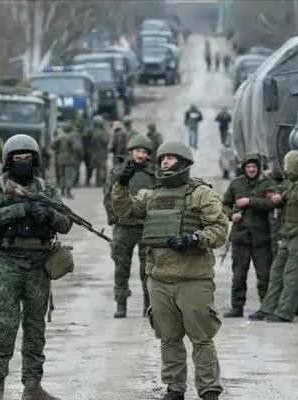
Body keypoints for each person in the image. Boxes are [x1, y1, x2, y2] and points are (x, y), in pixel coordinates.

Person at [111, 141, 227, 400]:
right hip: (160, 279)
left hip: (193, 279)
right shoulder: (151, 195)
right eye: (162, 158)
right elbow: (125, 211)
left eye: (171, 158)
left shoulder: (201, 194)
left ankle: (209, 389)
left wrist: (194, 239)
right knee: (169, 338)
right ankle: (175, 388)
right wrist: (121, 184)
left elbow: (220, 230)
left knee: (201, 338)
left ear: (183, 163)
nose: (164, 161)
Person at [0, 134, 72, 400]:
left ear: (35, 160)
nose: (22, 161)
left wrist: (49, 214)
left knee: (35, 327)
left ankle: (32, 385)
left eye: (27, 157)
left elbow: (66, 222)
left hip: (39, 265)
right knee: (4, 325)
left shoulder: (45, 189)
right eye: (17, 158)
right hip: (8, 262)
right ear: (9, 161)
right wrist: (22, 209)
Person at [249, 150, 298, 323]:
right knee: (276, 272)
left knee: (292, 276)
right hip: (289, 234)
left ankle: (284, 312)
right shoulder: (293, 180)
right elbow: (286, 191)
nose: (285, 169)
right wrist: (279, 196)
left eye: (287, 166)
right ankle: (267, 308)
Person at [103, 135, 157, 318]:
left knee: (149, 268)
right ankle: (121, 303)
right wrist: (113, 218)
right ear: (131, 151)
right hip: (124, 226)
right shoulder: (118, 171)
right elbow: (108, 195)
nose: (140, 155)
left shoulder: (155, 173)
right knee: (121, 266)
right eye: (137, 151)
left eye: (144, 152)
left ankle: (149, 306)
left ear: (148, 155)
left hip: (147, 226)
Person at [222, 153, 276, 318]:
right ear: (244, 168)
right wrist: (232, 215)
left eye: (254, 167)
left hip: (261, 238)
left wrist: (250, 201)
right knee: (239, 275)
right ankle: (237, 307)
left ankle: (265, 308)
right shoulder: (236, 184)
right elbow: (224, 205)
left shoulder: (267, 184)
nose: (251, 170)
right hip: (241, 237)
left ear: (258, 168)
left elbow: (272, 203)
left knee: (264, 275)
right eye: (248, 167)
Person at [51, 128, 78, 198]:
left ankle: (62, 191)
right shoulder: (70, 137)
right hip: (69, 159)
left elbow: (52, 146)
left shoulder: (59, 137)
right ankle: (68, 192)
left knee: (62, 176)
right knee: (68, 176)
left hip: (60, 159)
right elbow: (75, 148)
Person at [87, 114, 110, 187]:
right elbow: (106, 141)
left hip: (93, 152)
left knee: (94, 167)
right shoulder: (102, 132)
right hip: (101, 152)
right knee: (102, 167)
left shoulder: (91, 131)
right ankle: (100, 182)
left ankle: (90, 180)